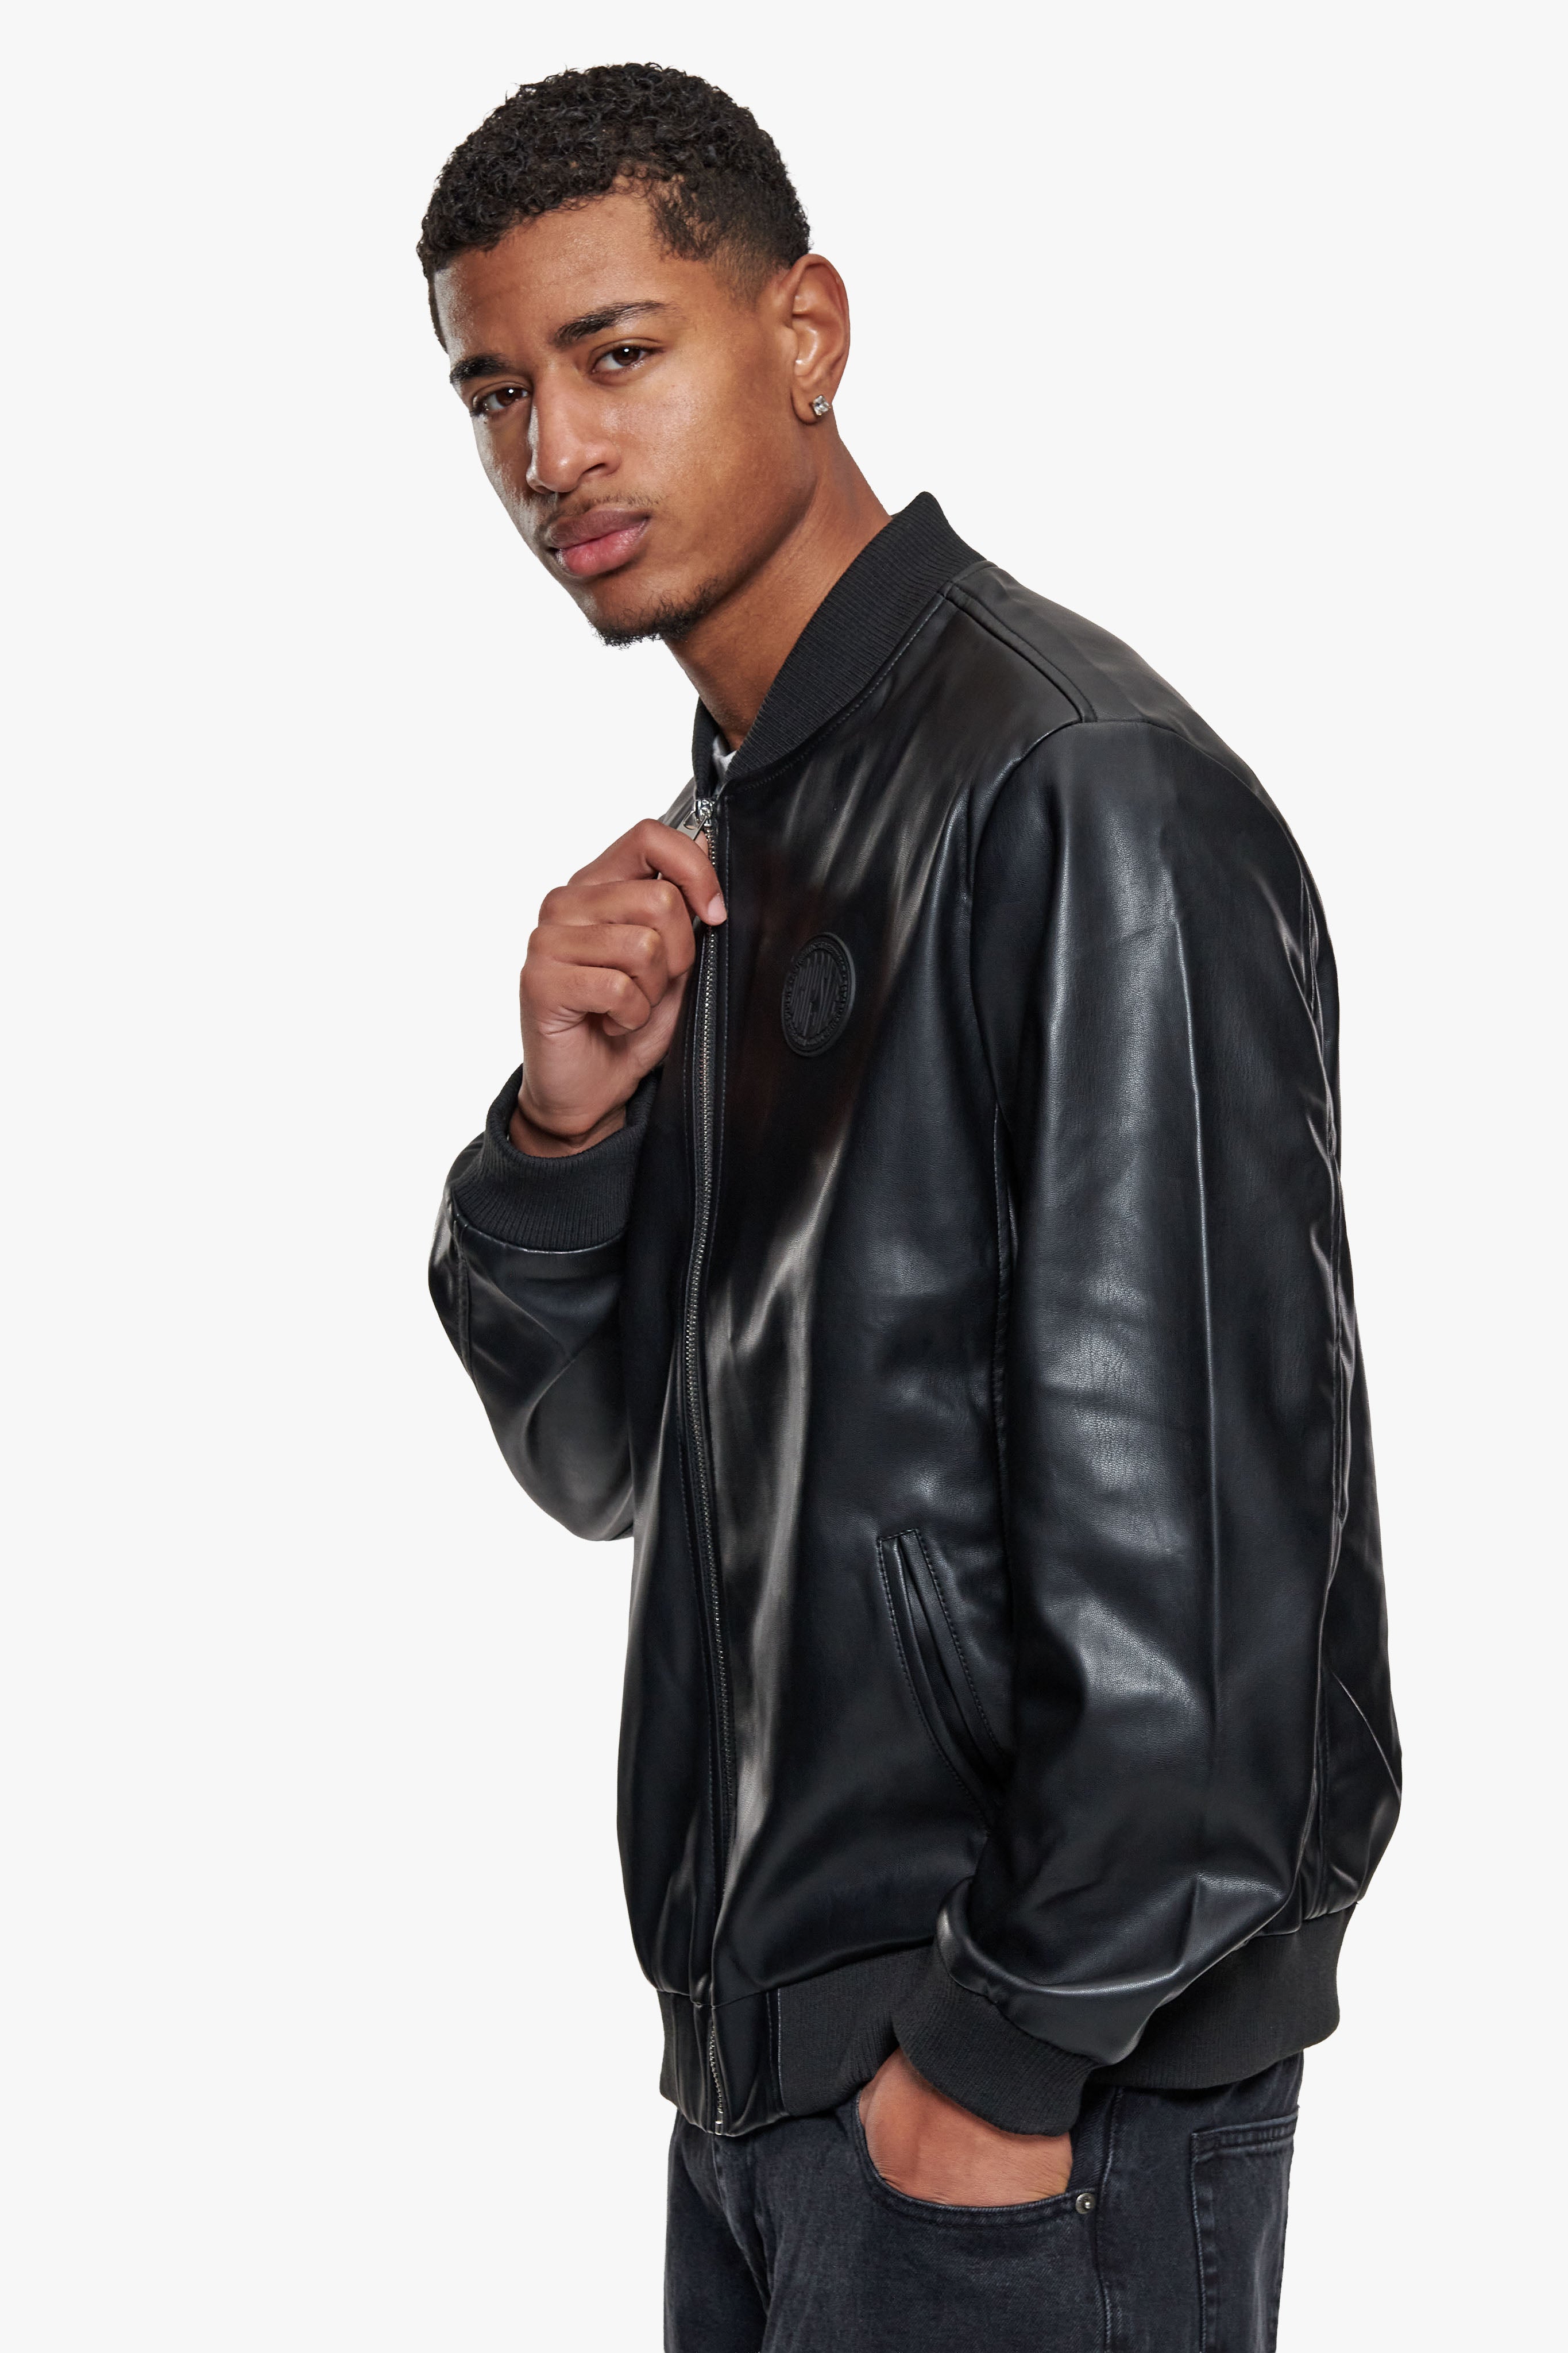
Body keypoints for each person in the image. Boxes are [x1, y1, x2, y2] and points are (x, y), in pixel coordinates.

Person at [420, 63, 1399, 2352]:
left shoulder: (1072, 791)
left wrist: (994, 2065)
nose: (551, 452)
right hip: (775, 2098)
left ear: (805, 332)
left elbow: (1212, 1557)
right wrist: (561, 1135)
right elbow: (607, 1461)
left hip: (1020, 2107)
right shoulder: (731, 841)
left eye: (614, 355)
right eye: (492, 393)